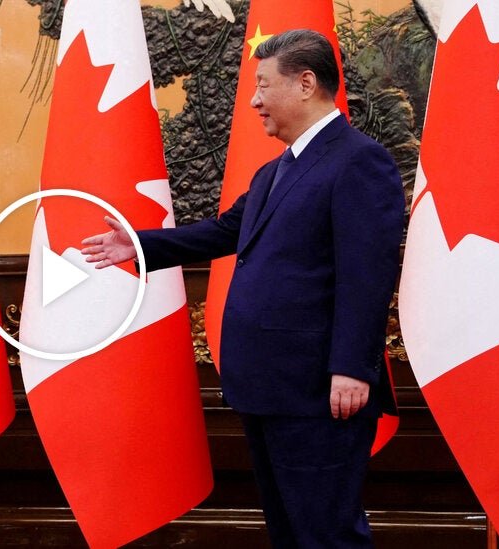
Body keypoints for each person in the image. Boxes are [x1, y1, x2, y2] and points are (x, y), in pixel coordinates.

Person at [82, 29, 404, 548]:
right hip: (268, 386)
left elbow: (367, 273)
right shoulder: (276, 170)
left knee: (327, 534)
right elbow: (225, 231)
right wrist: (136, 246)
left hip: (319, 390)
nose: (253, 100)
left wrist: (350, 367)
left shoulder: (358, 160)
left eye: (263, 85)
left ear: (305, 84)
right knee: (289, 532)